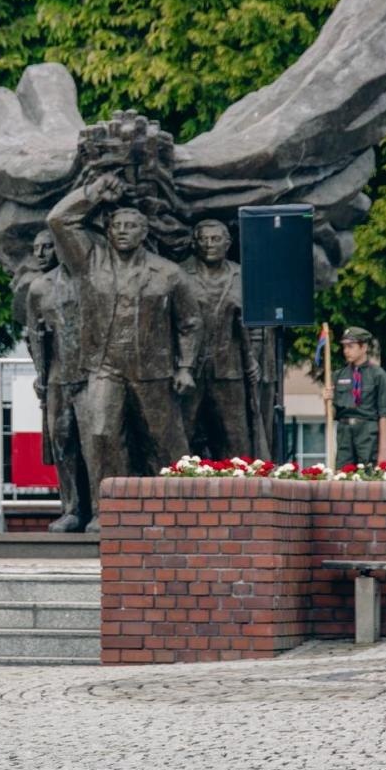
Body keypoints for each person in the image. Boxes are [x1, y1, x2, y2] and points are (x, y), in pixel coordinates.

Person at [48, 172, 200, 526]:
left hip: (153, 371)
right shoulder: (88, 260)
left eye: (131, 226)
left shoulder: (168, 273)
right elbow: (58, 220)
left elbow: (190, 323)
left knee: (166, 442)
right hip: (104, 367)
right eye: (116, 225)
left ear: (144, 232)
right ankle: (108, 512)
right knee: (100, 433)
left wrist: (186, 366)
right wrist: (94, 193)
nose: (122, 231)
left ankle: (184, 510)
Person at [180, 220, 264, 459]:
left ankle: (241, 487)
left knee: (234, 434)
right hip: (190, 369)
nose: (209, 244)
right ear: (194, 243)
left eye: (215, 239)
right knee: (182, 432)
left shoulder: (242, 276)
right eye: (203, 239)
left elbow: (254, 327)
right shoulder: (180, 274)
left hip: (230, 368)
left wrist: (253, 359)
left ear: (227, 243)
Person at [25, 228, 91, 532]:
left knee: (95, 442)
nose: (40, 254)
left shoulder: (87, 279)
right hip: (56, 376)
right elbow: (34, 337)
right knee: (63, 441)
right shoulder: (38, 288)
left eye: (48, 247)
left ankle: (102, 508)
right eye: (36, 247)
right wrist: (41, 374)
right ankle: (73, 508)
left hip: (90, 373)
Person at [323, 326, 386, 466]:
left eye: (350, 346)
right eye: (344, 347)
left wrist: (384, 450)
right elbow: (332, 414)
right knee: (343, 474)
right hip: (344, 431)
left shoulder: (378, 375)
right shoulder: (338, 375)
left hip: (367, 431)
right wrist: (327, 401)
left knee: (368, 474)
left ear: (364, 347)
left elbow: (385, 413)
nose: (346, 351)